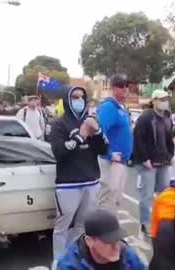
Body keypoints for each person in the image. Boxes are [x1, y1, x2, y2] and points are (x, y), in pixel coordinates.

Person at [49, 87, 109, 259]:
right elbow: (59, 153)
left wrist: (96, 132)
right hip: (68, 184)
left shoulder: (91, 121)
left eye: (82, 97)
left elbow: (103, 150)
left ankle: (73, 256)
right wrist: (80, 136)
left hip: (91, 181)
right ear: (67, 100)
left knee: (83, 225)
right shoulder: (59, 124)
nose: (79, 100)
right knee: (62, 226)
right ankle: (59, 262)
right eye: (75, 97)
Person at [133, 89, 174, 235]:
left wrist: (170, 156)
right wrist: (145, 159)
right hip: (148, 162)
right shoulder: (146, 117)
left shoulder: (167, 117)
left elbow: (169, 139)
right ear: (154, 100)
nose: (165, 102)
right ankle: (145, 223)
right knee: (147, 194)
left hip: (163, 161)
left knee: (164, 193)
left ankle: (163, 220)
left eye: (166, 99)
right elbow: (138, 139)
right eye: (162, 99)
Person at [56, 209, 147, 270]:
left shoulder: (128, 255)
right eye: (108, 241)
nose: (116, 247)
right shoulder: (69, 264)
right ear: (89, 241)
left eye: (117, 239)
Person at [96, 74, 133, 214]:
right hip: (111, 162)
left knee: (116, 199)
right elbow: (98, 132)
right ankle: (103, 232)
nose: (125, 88)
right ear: (112, 88)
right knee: (107, 198)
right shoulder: (109, 107)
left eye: (126, 86)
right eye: (120, 85)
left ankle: (111, 230)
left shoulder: (121, 108)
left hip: (122, 161)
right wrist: (109, 153)